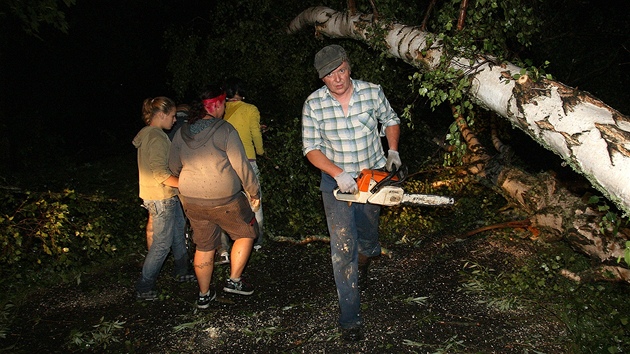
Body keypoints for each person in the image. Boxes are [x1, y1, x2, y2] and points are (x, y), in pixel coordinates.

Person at [301, 45, 402, 341]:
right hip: (336, 182)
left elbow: (391, 119)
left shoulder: (372, 92)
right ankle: (350, 318)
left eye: (341, 70)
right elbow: (310, 148)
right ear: (322, 78)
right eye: (330, 75)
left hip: (371, 178)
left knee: (368, 237)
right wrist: (337, 174)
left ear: (349, 67)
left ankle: (366, 257)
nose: (338, 78)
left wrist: (393, 151)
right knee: (343, 246)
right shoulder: (313, 104)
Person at [169, 84, 260, 309]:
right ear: (217, 105)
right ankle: (234, 281)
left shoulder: (182, 131)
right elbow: (242, 166)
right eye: (224, 104)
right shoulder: (224, 130)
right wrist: (254, 191)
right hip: (225, 200)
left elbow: (172, 166)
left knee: (204, 246)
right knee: (247, 233)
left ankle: (203, 294)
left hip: (192, 201)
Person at [133, 96, 195, 301]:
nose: (175, 120)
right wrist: (186, 183)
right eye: (172, 115)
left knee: (178, 231)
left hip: (165, 194)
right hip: (161, 197)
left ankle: (182, 270)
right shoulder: (157, 138)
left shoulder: (149, 135)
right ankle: (144, 285)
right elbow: (160, 173)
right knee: (162, 243)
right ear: (160, 115)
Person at [217, 77, 265, 264]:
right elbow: (255, 134)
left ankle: (223, 249)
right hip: (247, 161)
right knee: (255, 201)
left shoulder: (219, 109)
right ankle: (256, 242)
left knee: (223, 205)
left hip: (224, 163)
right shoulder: (250, 109)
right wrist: (260, 151)